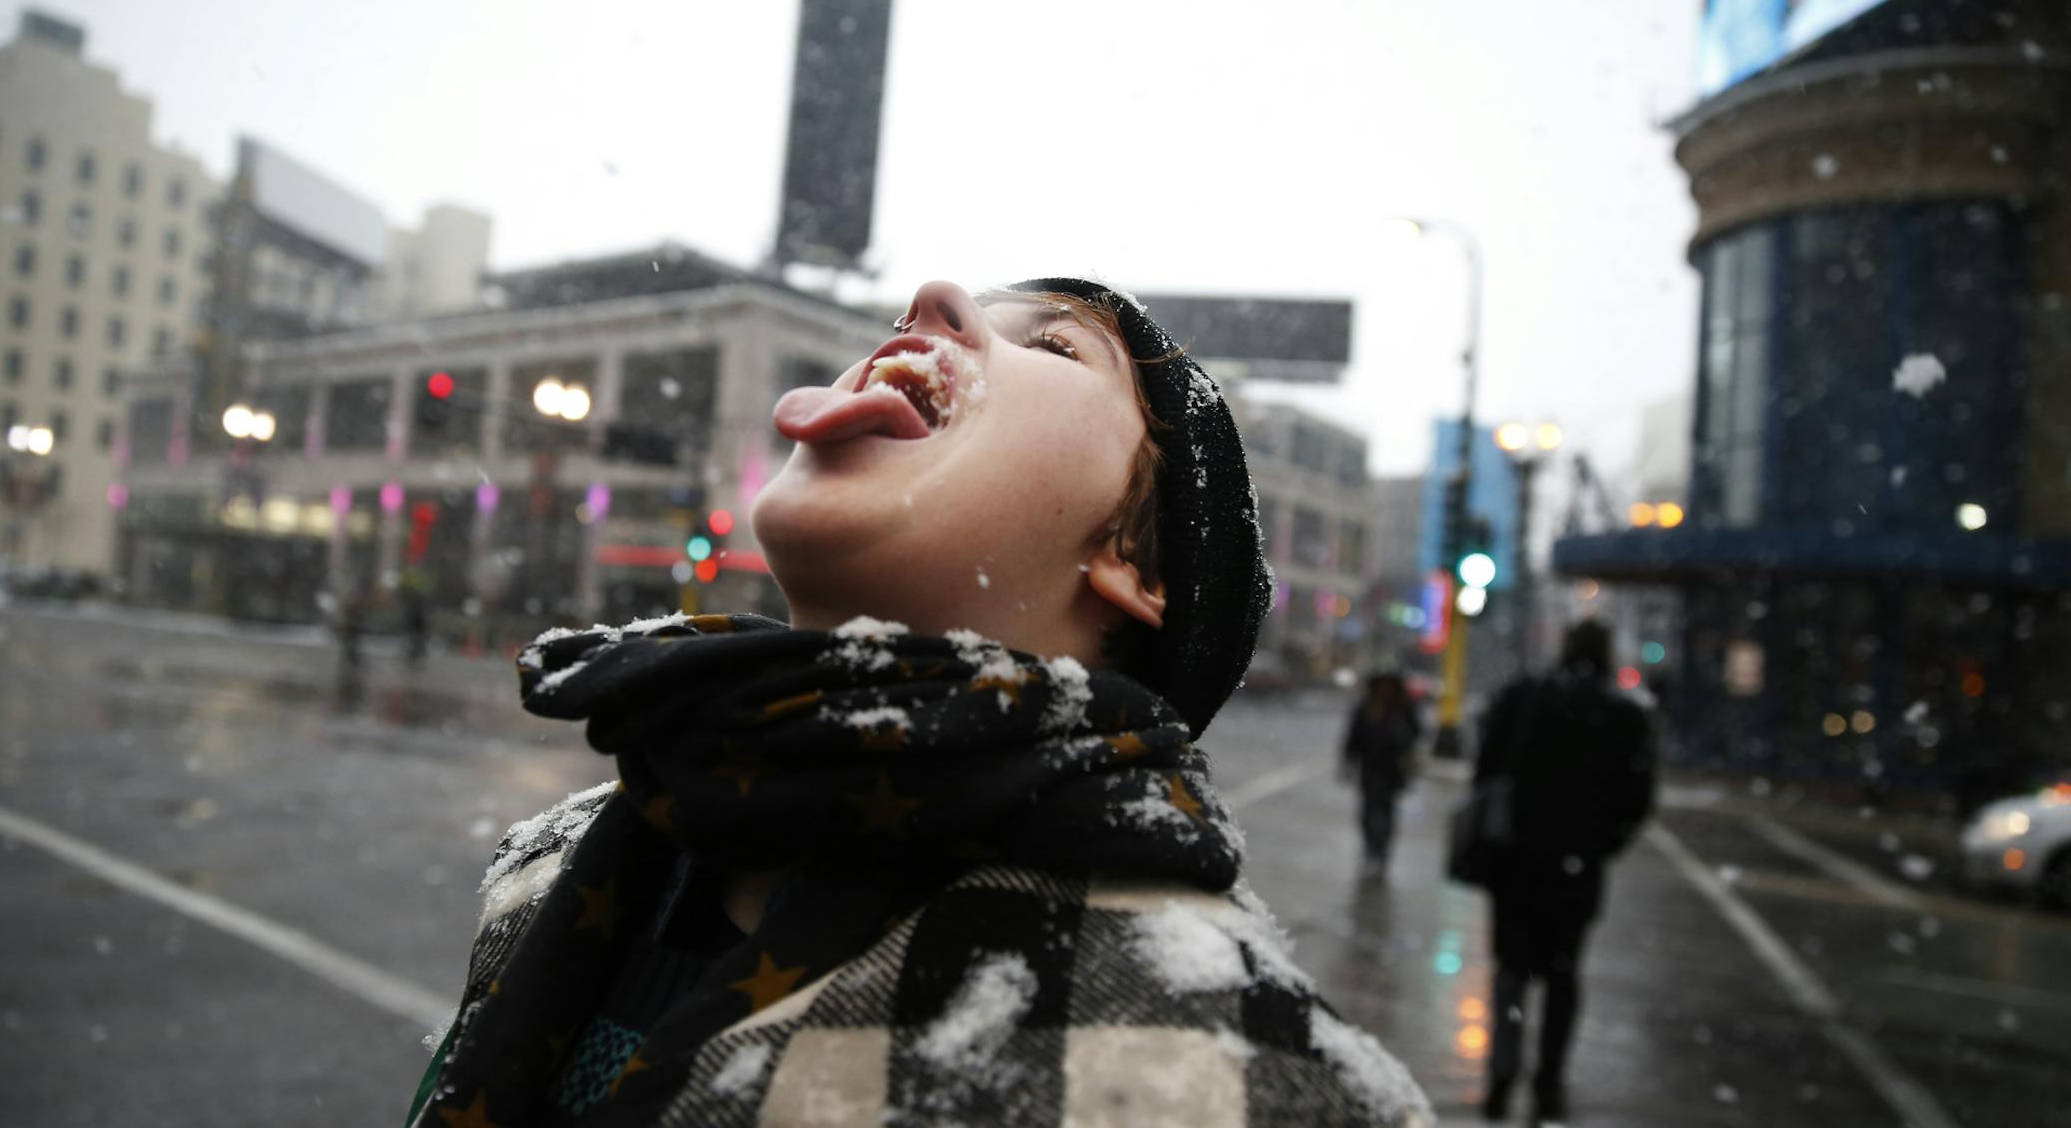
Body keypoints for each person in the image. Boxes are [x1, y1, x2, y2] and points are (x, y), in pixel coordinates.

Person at [404, 279, 1432, 1127]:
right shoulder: (553, 865)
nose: (927, 304)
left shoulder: (1240, 1075)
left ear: (1131, 559)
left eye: (1059, 349)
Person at [1473, 619, 1656, 1124]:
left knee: (1510, 971)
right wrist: (1599, 843)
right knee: (1562, 975)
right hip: (1575, 870)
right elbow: (1637, 800)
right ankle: (1548, 1081)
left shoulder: (1526, 698)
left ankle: (1501, 1075)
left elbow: (1486, 768)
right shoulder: (1623, 715)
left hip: (1515, 861)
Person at [1339, 673, 1419, 876]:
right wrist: (1348, 761)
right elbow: (1353, 737)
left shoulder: (1402, 709)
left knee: (1386, 812)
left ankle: (1381, 851)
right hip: (1370, 769)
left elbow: (1414, 735)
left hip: (1392, 771)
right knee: (1368, 813)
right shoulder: (1366, 708)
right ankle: (1371, 848)